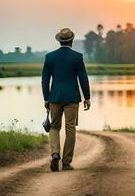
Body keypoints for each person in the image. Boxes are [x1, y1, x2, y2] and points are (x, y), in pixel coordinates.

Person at [42, 28, 91, 172]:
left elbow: (45, 81)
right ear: (71, 41)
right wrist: (87, 97)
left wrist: (46, 98)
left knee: (54, 127)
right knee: (70, 128)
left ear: (59, 41)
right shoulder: (77, 57)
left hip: (55, 97)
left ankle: (55, 153)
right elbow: (83, 78)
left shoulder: (49, 57)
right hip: (72, 98)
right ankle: (66, 163)